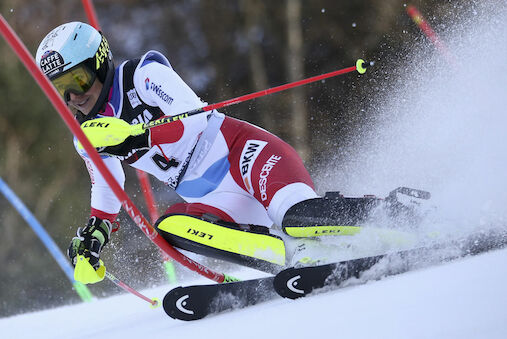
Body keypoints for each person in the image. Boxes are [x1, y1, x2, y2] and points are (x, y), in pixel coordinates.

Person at [34, 22, 384, 276]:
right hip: (216, 198)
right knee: (171, 228)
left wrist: (135, 137)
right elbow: (107, 189)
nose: (74, 97)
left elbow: (193, 119)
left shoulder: (142, 76)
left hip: (243, 156)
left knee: (297, 217)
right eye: (60, 90)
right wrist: (95, 234)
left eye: (77, 80)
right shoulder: (87, 137)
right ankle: (294, 259)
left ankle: (391, 214)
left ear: (99, 62)